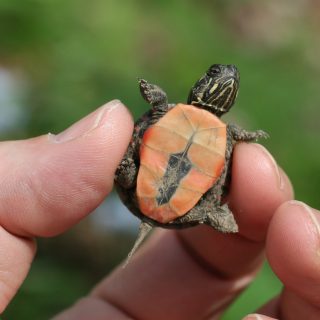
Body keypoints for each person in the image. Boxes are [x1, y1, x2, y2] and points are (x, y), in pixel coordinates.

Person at [0, 100, 318, 320]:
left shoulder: (216, 129)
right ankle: (207, 212)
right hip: (178, 197)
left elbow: (151, 121)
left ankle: (208, 212)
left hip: (163, 190)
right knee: (161, 184)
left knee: (141, 175)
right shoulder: (207, 126)